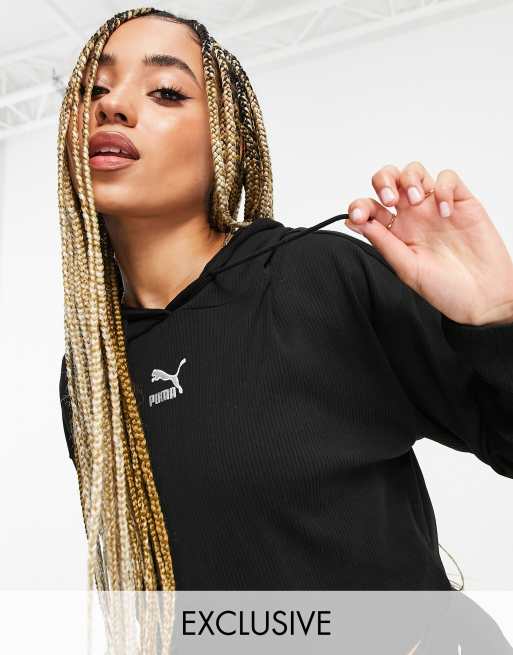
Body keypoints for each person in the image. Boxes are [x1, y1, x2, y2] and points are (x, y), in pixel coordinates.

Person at [58, 6, 513, 599]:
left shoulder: (317, 276)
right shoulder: (90, 373)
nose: (112, 105)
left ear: (226, 141)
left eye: (166, 91)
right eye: (94, 89)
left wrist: (495, 317)